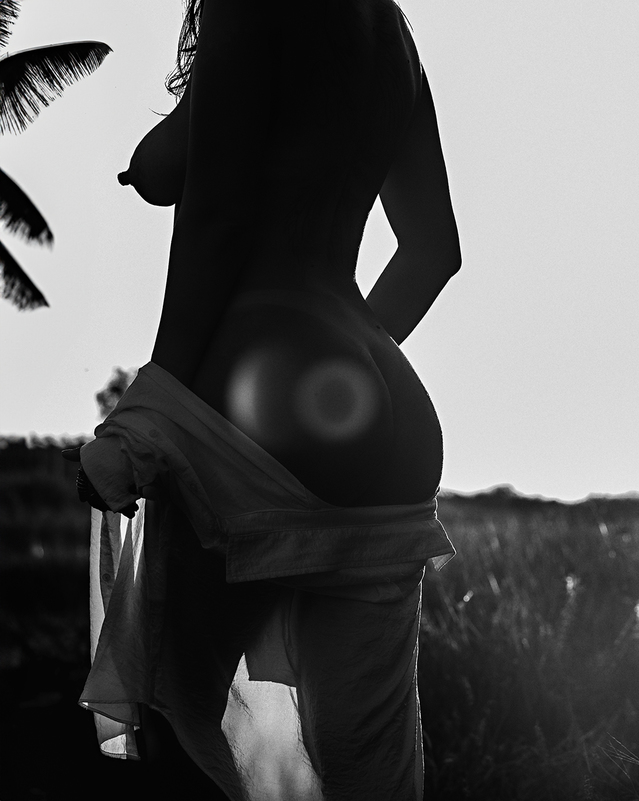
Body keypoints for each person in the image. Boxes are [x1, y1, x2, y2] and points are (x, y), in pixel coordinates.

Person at [65, 0, 460, 798]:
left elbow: (212, 215)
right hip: (393, 431)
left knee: (183, 727)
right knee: (368, 766)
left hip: (253, 427)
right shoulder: (388, 34)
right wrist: (338, 372)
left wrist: (153, 410)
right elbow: (433, 252)